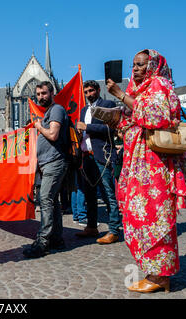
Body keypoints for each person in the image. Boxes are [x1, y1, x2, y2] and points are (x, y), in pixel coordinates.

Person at [106, 49, 186, 293]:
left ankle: (161, 277)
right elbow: (133, 118)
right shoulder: (140, 88)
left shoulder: (159, 84)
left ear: (153, 66)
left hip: (155, 163)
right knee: (138, 215)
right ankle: (154, 271)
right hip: (138, 161)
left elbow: (157, 116)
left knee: (155, 215)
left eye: (141, 65)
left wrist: (121, 96)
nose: (134, 69)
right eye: (133, 65)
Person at [22, 81, 70, 258]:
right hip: (46, 163)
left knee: (45, 199)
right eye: (38, 94)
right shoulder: (48, 112)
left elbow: (53, 134)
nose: (41, 97)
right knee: (53, 202)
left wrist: (38, 126)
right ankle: (57, 239)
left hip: (54, 162)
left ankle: (43, 242)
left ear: (52, 93)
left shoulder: (56, 109)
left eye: (44, 93)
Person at [75, 80, 122, 244]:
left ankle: (114, 230)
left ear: (97, 90)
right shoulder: (83, 110)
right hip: (86, 155)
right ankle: (91, 226)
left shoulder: (107, 104)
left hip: (102, 154)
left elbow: (111, 129)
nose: (88, 94)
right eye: (86, 92)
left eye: (91, 91)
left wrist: (87, 127)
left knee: (108, 193)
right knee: (89, 193)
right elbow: (82, 129)